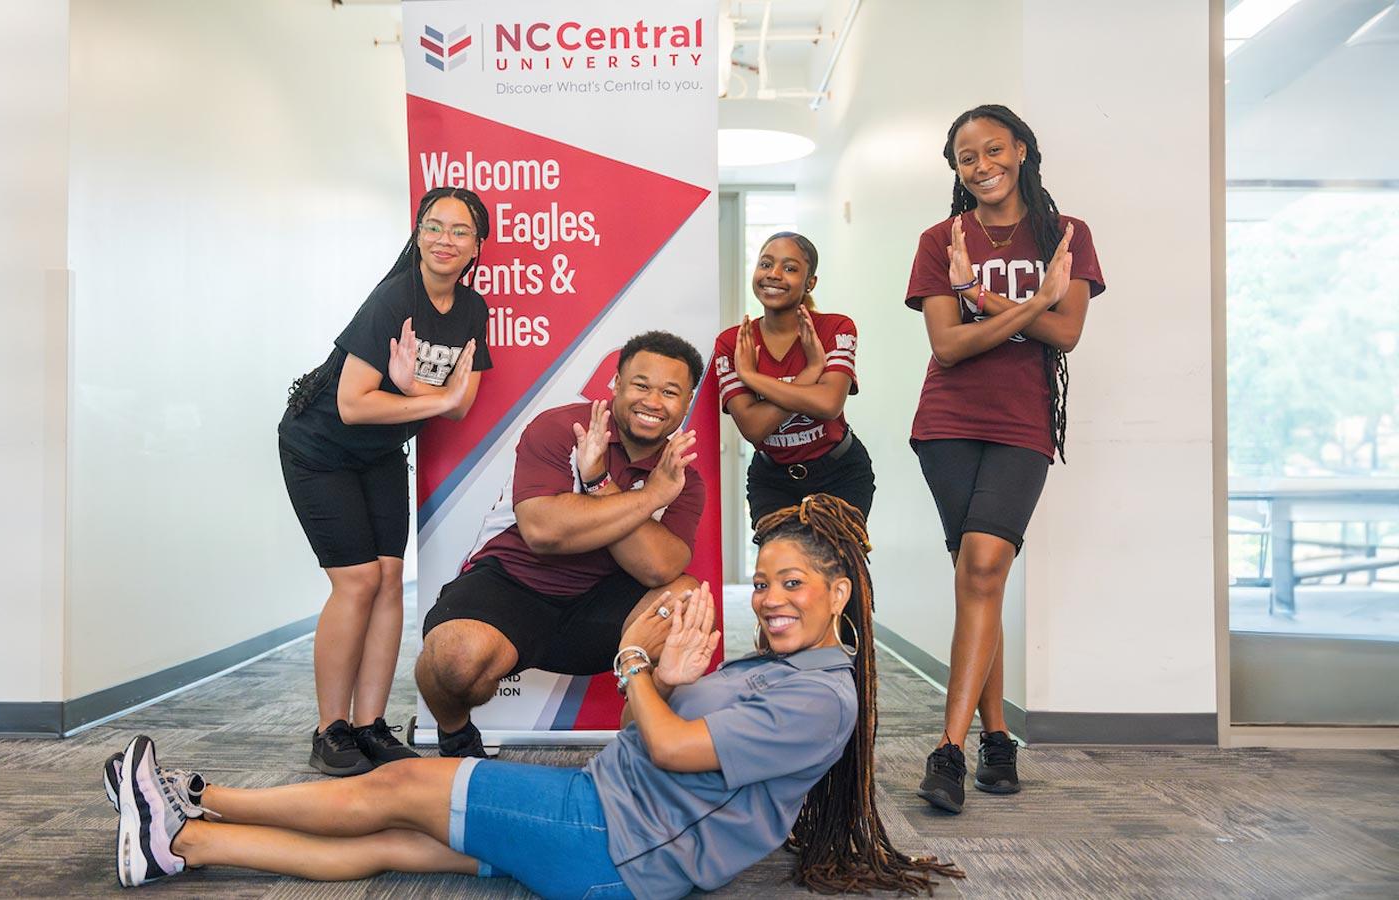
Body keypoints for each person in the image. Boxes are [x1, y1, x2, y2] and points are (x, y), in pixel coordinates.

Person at [106, 496, 961, 897]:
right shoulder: (776, 671)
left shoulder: (819, 701)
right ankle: (182, 840)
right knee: (398, 841)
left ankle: (195, 799)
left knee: (398, 788)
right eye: (766, 581)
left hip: (617, 844)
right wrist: (663, 685)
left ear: (841, 592)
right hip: (607, 812)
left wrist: (634, 663)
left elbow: (665, 746)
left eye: (795, 584)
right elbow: (653, 730)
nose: (772, 599)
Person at [903, 104, 1105, 813]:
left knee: (983, 567)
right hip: (948, 425)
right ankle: (996, 737)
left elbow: (1069, 331)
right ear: (956, 170)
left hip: (1022, 425)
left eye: (994, 149)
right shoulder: (940, 238)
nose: (982, 164)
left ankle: (948, 751)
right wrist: (1026, 304)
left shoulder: (1064, 234)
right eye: (966, 157)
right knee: (976, 579)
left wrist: (982, 299)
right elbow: (949, 346)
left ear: (1020, 149)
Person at [277, 186, 493, 776]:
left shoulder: (472, 310)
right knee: (356, 583)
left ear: (477, 247)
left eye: (459, 231)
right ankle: (331, 730)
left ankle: (370, 726)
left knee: (391, 579)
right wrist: (431, 395)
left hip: (377, 452)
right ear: (418, 234)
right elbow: (351, 403)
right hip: (318, 447)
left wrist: (414, 391)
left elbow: (457, 407)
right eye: (434, 226)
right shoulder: (392, 299)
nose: (444, 239)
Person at [416, 331, 707, 758]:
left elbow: (659, 568)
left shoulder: (680, 475)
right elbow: (543, 532)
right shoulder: (561, 428)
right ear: (616, 385)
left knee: (684, 599)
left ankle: (640, 742)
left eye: (670, 392)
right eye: (641, 385)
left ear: (686, 403)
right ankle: (455, 732)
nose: (653, 401)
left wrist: (598, 485)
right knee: (454, 659)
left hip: (601, 605)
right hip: (514, 583)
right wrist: (649, 498)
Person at [711, 231, 874, 528]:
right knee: (781, 571)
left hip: (840, 473)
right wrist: (811, 373)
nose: (773, 275)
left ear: (810, 282)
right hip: (771, 481)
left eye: (789, 268)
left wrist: (752, 377)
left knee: (835, 567)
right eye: (765, 264)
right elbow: (752, 427)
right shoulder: (731, 342)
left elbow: (827, 404)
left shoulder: (836, 327)